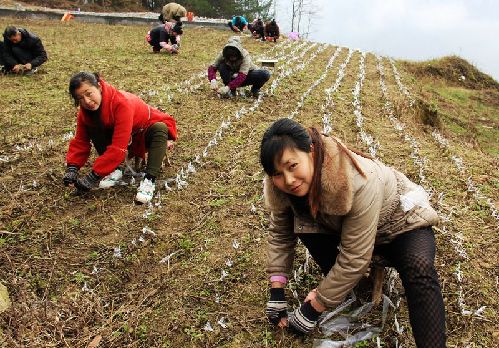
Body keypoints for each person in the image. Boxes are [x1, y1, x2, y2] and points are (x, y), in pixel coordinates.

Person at [261, 118, 446, 347]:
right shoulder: (281, 186)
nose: (288, 180)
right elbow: (280, 235)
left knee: (420, 267)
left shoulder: (357, 179)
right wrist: (276, 291)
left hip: (398, 223)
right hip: (349, 228)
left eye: (292, 166)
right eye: (277, 174)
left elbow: (355, 257)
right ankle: (354, 285)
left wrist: (314, 306)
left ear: (310, 151)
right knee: (304, 226)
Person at [63, 72, 178, 204]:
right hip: (122, 137)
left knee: (160, 128)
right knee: (94, 127)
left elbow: (119, 147)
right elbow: (80, 141)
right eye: (80, 98)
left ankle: (149, 180)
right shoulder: (85, 113)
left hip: (142, 133)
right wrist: (72, 168)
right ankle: (114, 169)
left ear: (99, 87)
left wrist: (94, 176)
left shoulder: (122, 104)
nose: (87, 101)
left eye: (89, 93)